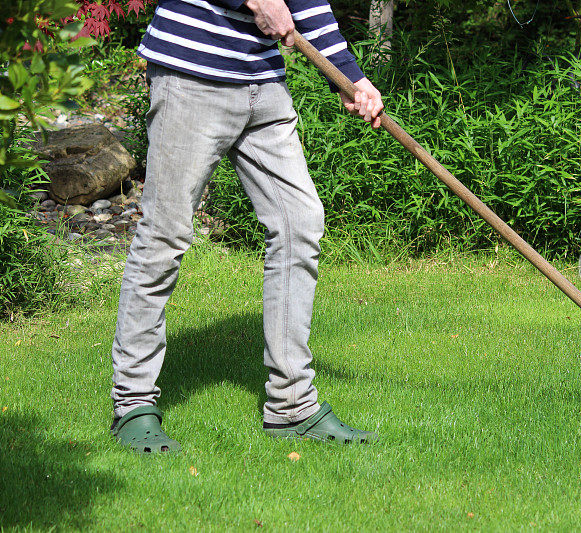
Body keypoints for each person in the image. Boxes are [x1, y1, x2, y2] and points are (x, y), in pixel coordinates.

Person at [109, 0, 384, 453]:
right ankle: (133, 403)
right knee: (165, 234)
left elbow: (307, 4)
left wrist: (349, 76)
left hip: (263, 79)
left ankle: (292, 404)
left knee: (300, 220)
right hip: (192, 73)